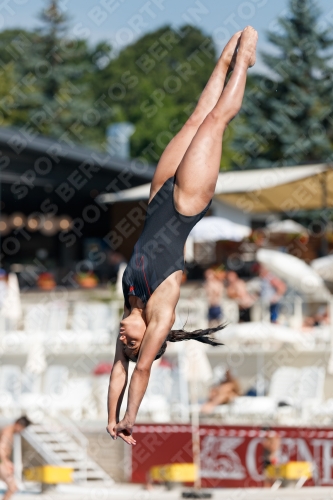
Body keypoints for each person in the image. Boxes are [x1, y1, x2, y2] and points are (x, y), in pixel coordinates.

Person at [106, 27, 258, 446]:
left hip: (158, 200)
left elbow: (119, 369)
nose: (123, 339)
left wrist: (110, 416)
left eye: (125, 342)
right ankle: (244, 62)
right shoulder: (158, 318)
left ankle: (227, 57)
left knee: (195, 117)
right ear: (149, 344)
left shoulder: (130, 304)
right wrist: (130, 419)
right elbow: (138, 371)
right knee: (215, 121)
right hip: (185, 204)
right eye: (131, 343)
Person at [0, 416, 31, 500]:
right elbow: (1, 449)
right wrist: (6, 463)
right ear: (18, 424)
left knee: (13, 487)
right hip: (1, 461)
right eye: (22, 429)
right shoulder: (7, 432)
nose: (21, 431)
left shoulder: (9, 431)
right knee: (12, 486)